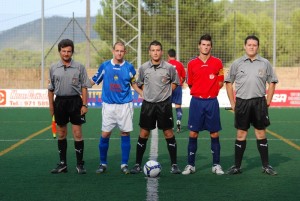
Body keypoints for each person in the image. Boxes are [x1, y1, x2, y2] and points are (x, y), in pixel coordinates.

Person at [225, 35, 278, 175]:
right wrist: (232, 102)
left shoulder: (265, 63)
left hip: (259, 102)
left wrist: (268, 101)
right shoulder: (237, 63)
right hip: (242, 102)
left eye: (254, 45)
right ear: (245, 46)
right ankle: (237, 166)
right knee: (241, 133)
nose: (252, 47)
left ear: (258, 47)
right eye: (249, 44)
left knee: (261, 132)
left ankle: (266, 166)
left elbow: (272, 82)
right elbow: (228, 83)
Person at [90, 42, 143, 174]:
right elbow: (93, 80)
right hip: (108, 105)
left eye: (122, 51)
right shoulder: (105, 66)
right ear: (113, 51)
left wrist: (143, 94)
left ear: (124, 52)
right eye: (117, 50)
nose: (119, 53)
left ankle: (124, 164)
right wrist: (80, 87)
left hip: (125, 105)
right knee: (105, 134)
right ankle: (103, 163)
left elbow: (134, 84)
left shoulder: (129, 68)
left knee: (125, 133)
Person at [130, 40, 181, 174]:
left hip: (164, 105)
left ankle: (174, 165)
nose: (155, 52)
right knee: (144, 133)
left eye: (158, 50)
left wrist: (167, 92)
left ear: (162, 52)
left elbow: (176, 82)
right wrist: (143, 94)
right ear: (149, 52)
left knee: (168, 133)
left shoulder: (169, 68)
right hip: (148, 105)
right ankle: (137, 164)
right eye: (153, 50)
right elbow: (138, 83)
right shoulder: (143, 68)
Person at [182, 34, 224, 175]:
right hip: (197, 102)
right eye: (203, 44)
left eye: (208, 45)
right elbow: (190, 83)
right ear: (199, 46)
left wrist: (211, 91)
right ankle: (190, 165)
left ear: (211, 46)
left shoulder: (218, 63)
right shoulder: (191, 63)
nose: (205, 47)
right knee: (193, 133)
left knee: (214, 133)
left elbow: (221, 81)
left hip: (212, 101)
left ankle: (216, 165)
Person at [48, 39, 90, 174]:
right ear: (60, 51)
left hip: (75, 102)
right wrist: (51, 106)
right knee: (61, 133)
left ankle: (80, 164)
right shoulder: (53, 68)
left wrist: (84, 104)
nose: (66, 54)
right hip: (59, 102)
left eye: (69, 51)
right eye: (64, 51)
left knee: (77, 133)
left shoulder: (79, 67)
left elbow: (84, 87)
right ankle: (63, 164)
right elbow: (50, 89)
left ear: (72, 52)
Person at [167, 49, 186, 133]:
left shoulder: (166, 64)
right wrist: (180, 82)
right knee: (178, 106)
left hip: (168, 88)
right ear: (175, 55)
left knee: (168, 107)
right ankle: (178, 121)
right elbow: (184, 76)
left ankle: (170, 125)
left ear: (168, 55)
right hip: (178, 87)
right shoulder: (180, 64)